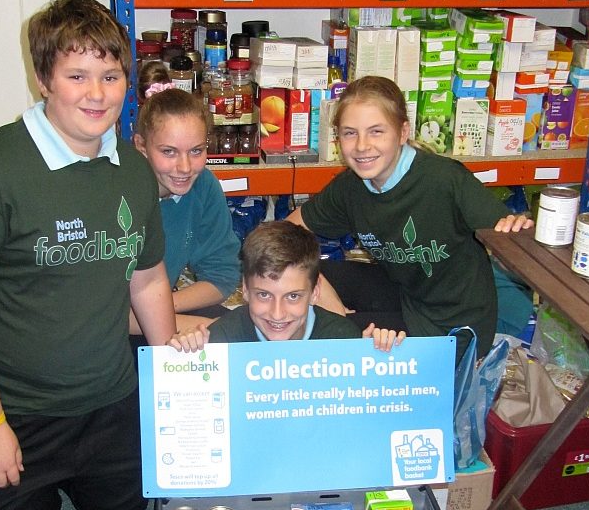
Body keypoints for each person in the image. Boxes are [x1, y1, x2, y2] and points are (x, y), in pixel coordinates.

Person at [0, 0, 176, 510]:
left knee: (126, 508)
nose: (97, 93)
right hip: (17, 407)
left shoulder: (133, 169)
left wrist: (174, 381)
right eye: (77, 75)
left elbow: (149, 278)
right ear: (43, 79)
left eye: (111, 76)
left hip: (108, 397)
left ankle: (76, 473)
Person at [286, 76, 533, 360]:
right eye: (350, 133)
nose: (362, 146)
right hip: (408, 295)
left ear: (403, 133)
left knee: (319, 332)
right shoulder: (351, 187)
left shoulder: (444, 180)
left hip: (454, 329)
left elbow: (511, 237)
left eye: (376, 131)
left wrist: (518, 228)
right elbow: (286, 233)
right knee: (300, 284)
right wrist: (330, 301)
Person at [169, 220, 404, 352]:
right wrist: (186, 356)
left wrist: (376, 361)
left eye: (293, 296)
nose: (277, 313)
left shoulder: (341, 339)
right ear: (246, 291)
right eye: (264, 295)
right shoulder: (224, 339)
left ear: (315, 293)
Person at [132, 86, 241, 334]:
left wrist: (163, 305)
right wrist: (208, 329)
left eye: (196, 151)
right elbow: (110, 315)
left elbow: (221, 276)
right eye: (169, 152)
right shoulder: (123, 197)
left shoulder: (203, 186)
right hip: (114, 328)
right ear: (141, 146)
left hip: (157, 310)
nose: (184, 167)